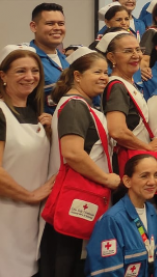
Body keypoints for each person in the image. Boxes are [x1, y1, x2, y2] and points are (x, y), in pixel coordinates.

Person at [40, 48, 120, 277]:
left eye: (106, 72)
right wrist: (106, 178)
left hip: (81, 196)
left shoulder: (82, 105)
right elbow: (73, 153)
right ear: (77, 76)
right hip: (75, 197)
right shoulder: (75, 106)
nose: (104, 77)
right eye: (97, 72)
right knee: (65, 261)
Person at [0, 45, 54, 276]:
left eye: (34, 70)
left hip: (30, 222)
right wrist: (31, 195)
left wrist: (50, 132)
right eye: (21, 71)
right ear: (3, 76)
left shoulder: (37, 115)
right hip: (6, 218)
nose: (29, 77)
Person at [85, 154, 157, 277]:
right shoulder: (111, 221)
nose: (152, 182)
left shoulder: (151, 212)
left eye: (156, 175)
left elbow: (154, 263)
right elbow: (107, 273)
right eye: (144, 176)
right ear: (127, 181)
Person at [102, 31, 157, 156]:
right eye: (128, 51)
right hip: (129, 160)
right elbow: (117, 131)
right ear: (111, 57)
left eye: (138, 50)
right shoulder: (117, 86)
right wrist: (148, 147)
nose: (136, 55)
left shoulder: (128, 83)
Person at [29, 2, 69, 114]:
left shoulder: (66, 61)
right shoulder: (28, 59)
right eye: (50, 23)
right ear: (34, 26)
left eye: (61, 23)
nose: (57, 28)